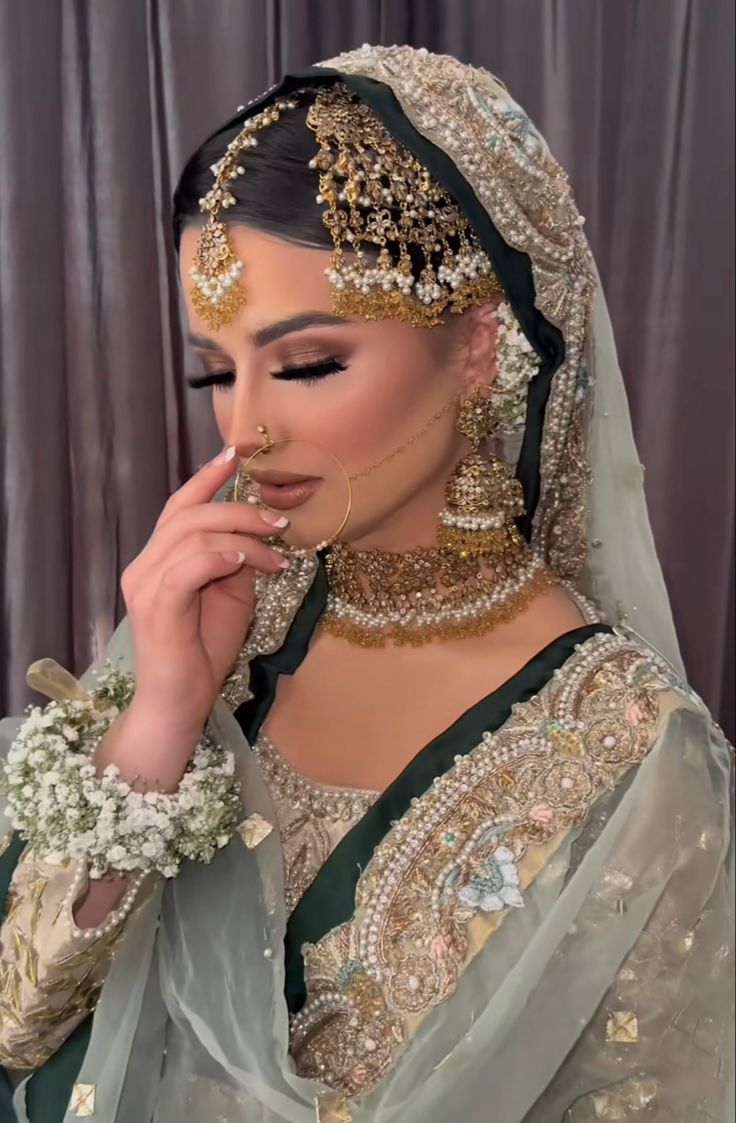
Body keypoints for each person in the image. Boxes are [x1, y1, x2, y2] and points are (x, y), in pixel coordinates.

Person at [0, 44, 733, 1123]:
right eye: (216, 369)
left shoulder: (629, 755)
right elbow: (21, 1021)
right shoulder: (231, 623)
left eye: (305, 364)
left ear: (479, 346)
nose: (248, 425)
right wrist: (161, 714)